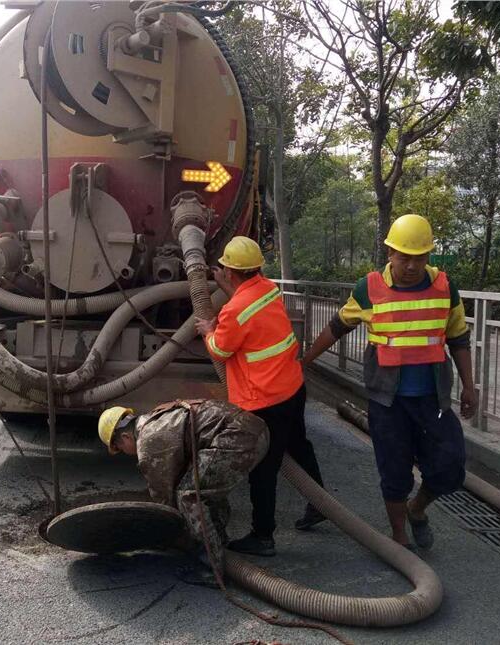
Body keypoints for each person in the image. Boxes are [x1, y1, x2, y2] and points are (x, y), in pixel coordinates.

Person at [301, 214, 478, 551]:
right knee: (394, 471)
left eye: (419, 257)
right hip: (388, 401)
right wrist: (305, 362)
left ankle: (417, 508)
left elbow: (458, 338)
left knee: (451, 465)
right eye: (403, 256)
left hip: (432, 399)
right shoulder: (369, 288)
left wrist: (469, 386)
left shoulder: (444, 286)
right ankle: (399, 538)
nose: (411, 265)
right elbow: (338, 326)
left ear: (429, 256)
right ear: (389, 253)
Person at [194, 236, 326, 558]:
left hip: (265, 401)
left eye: (223, 269)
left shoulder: (234, 311)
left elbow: (221, 350)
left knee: (263, 470)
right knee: (299, 445)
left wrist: (207, 330)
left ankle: (263, 536)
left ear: (230, 272)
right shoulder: (267, 289)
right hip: (292, 387)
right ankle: (319, 502)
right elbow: (247, 311)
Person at [98, 400, 269, 586]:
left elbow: (164, 498)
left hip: (239, 438)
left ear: (125, 437)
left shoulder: (148, 442)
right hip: (255, 429)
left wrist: (164, 535)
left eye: (120, 449)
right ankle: (217, 541)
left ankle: (211, 570)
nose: (125, 452)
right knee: (204, 486)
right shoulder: (156, 417)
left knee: (189, 495)